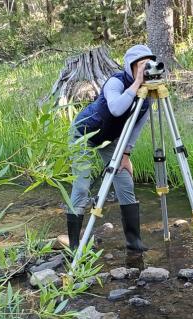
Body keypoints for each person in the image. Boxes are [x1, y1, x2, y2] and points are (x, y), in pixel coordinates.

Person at [57, 45, 156, 252]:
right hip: (83, 134)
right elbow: (116, 108)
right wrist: (137, 83)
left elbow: (137, 127)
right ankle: (75, 245)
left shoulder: (147, 96)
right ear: (131, 67)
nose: (145, 69)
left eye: (149, 64)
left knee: (125, 182)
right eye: (141, 65)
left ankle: (133, 241)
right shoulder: (115, 82)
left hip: (110, 140)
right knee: (82, 186)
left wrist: (126, 154)